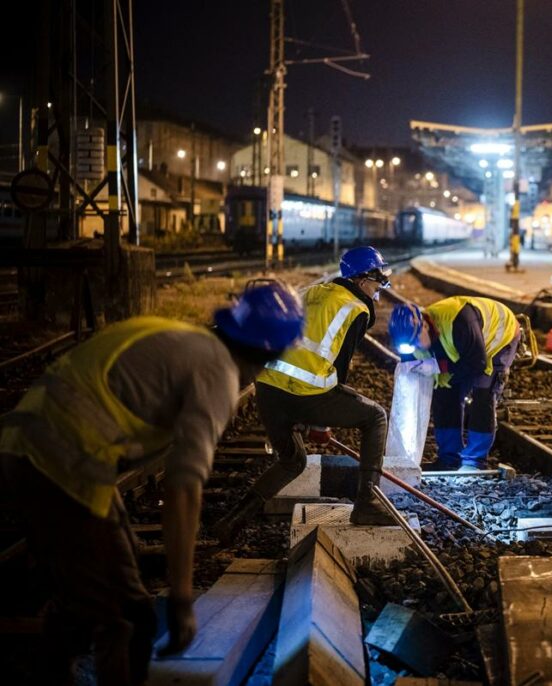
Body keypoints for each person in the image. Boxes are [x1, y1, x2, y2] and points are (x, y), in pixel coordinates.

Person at [0, 281, 304, 686]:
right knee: (123, 614)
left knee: (105, 602)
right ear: (271, 351)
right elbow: (182, 488)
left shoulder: (187, 340)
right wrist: (181, 597)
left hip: (42, 447)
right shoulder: (217, 371)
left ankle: (50, 668)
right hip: (61, 459)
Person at [214, 246, 395, 537]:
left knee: (293, 461)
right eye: (377, 281)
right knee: (376, 417)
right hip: (306, 392)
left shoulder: (312, 292)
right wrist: (319, 421)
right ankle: (367, 504)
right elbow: (339, 368)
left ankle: (232, 521)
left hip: (269, 390)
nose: (379, 288)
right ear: (362, 280)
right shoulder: (356, 309)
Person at [388, 296, 521, 471]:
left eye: (416, 343)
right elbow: (420, 364)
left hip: (499, 336)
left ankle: (475, 461)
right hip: (467, 347)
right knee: (444, 392)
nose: (416, 349)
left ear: (425, 326)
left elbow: (477, 363)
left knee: (483, 393)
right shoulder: (410, 336)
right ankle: (449, 458)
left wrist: (439, 366)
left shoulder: (459, 322)